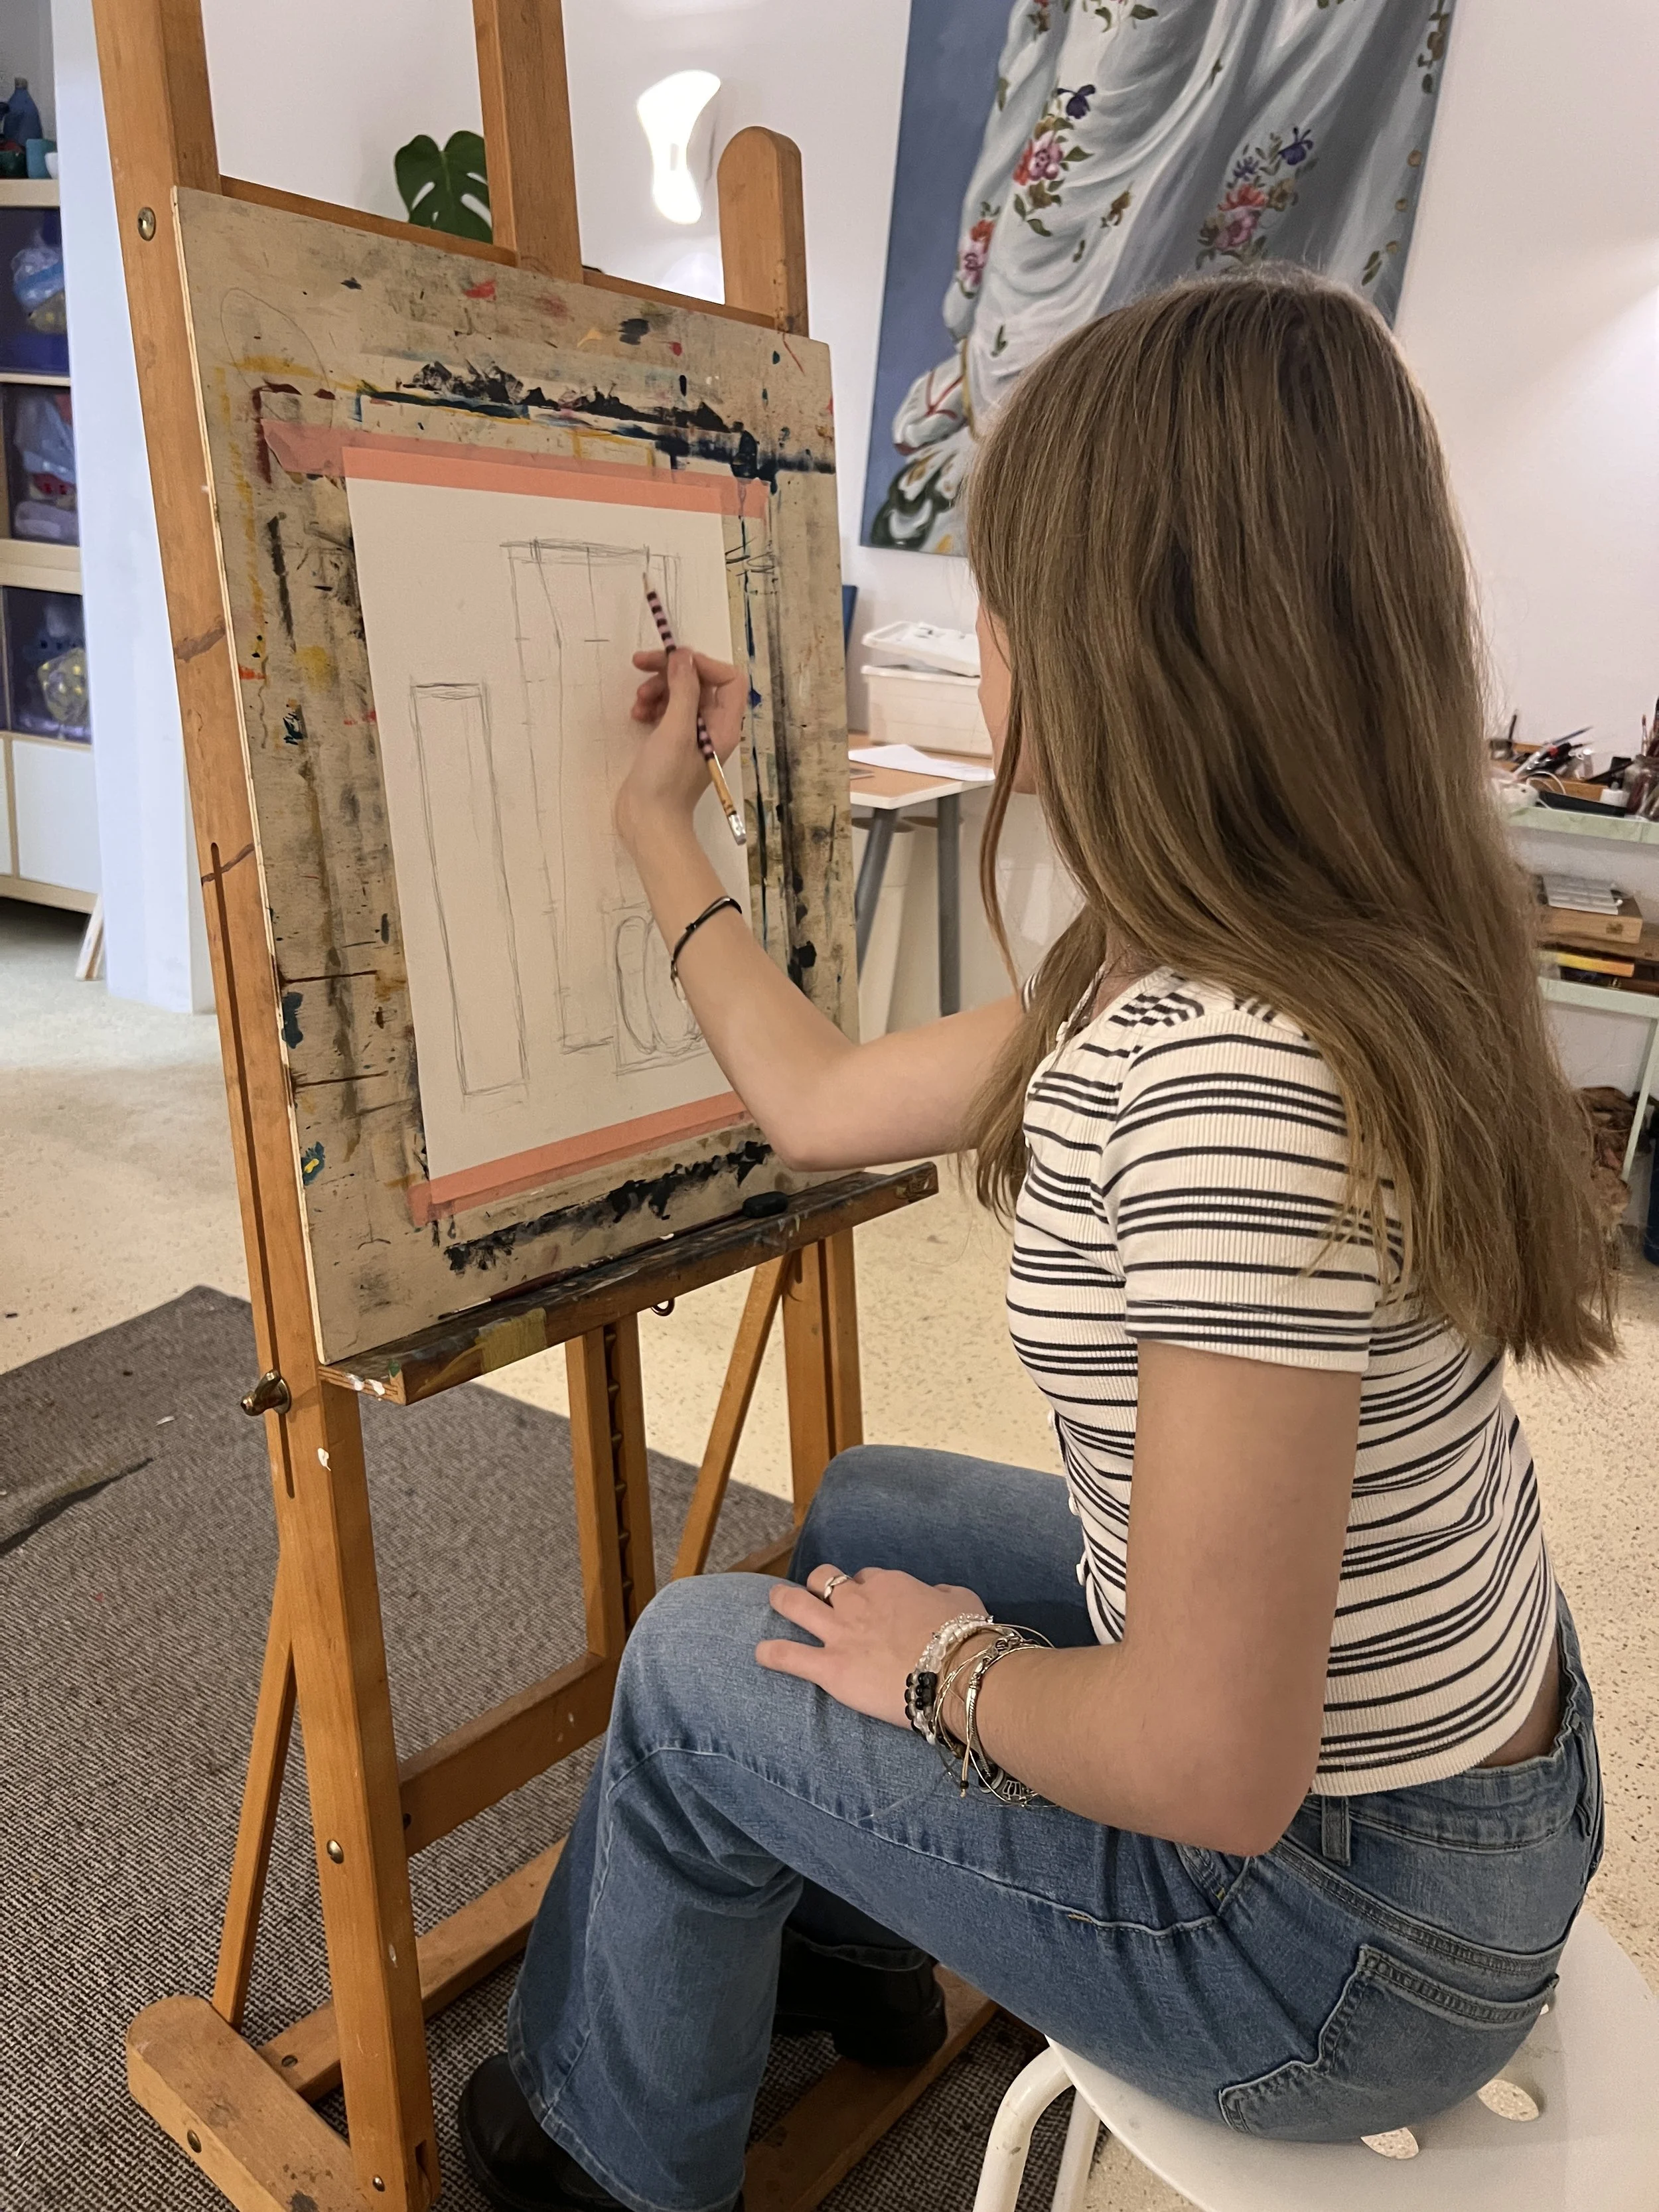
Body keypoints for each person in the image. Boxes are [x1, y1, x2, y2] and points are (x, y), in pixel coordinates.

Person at [460, 269, 1611, 2212]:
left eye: (995, 601)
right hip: (1444, 1799)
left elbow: (1209, 1765)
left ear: (1111, 647)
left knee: (685, 1661)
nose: (977, 644)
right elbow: (824, 1099)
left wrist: (950, 1677)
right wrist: (664, 829)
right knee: (861, 1502)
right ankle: (844, 1933)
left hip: (1342, 1945)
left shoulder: (1230, 1079)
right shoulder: (1272, 928)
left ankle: (596, 2149)